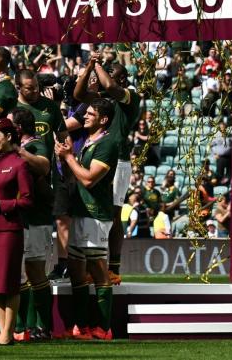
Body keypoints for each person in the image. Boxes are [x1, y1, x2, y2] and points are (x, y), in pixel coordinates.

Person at [55, 98, 119, 340]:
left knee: (97, 268)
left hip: (96, 214)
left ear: (103, 119)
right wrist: (64, 157)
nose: (85, 116)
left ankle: (103, 328)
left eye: (91, 114)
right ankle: (81, 327)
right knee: (75, 267)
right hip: (80, 211)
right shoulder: (89, 141)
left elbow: (90, 179)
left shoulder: (108, 143)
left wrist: (69, 157)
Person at [74, 51, 141, 283]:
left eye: (112, 70)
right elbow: (78, 93)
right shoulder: (99, 101)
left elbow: (111, 86)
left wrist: (98, 64)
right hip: (95, 155)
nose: (106, 73)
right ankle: (96, 266)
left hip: (118, 160)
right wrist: (90, 67)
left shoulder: (130, 95)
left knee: (112, 213)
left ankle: (113, 268)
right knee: (94, 208)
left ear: (123, 79)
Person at [0, 118, 34, 346]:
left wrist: (1, 204)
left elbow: (28, 201)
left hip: (9, 230)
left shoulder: (19, 164)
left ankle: (8, 332)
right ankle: (3, 332)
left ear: (9, 137)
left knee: (8, 283)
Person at [10, 108, 55, 340]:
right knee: (20, 270)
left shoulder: (37, 145)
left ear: (18, 128)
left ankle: (43, 325)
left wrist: (18, 150)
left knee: (35, 270)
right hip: (22, 217)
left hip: (37, 217)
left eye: (9, 125)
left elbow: (44, 166)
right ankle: (24, 326)